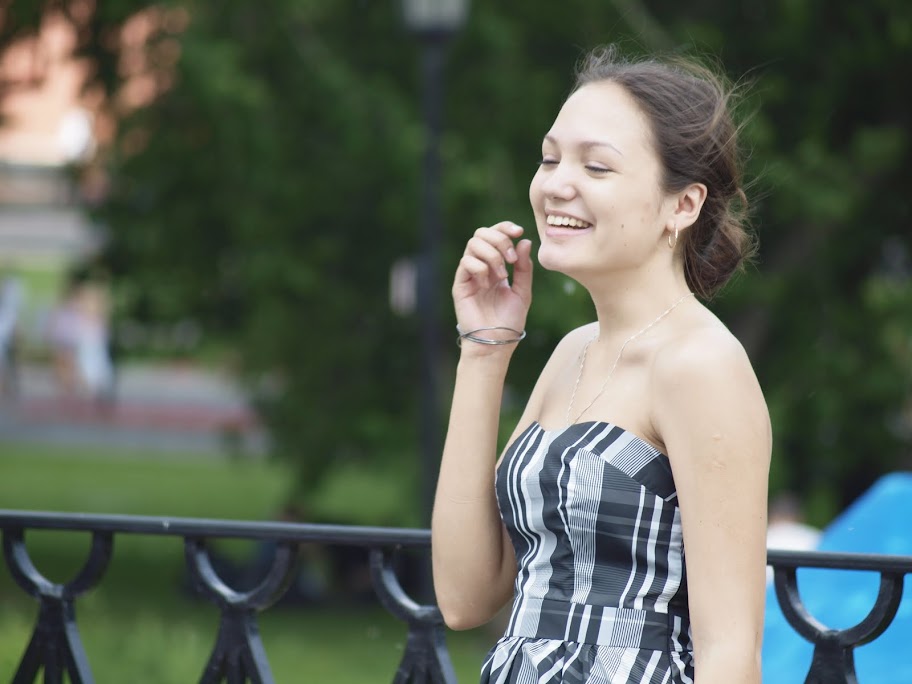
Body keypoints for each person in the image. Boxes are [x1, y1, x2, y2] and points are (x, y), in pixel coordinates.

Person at [431, 45, 772, 684]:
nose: (557, 184)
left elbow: (730, 647)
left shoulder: (701, 364)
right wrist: (483, 349)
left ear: (683, 205)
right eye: (549, 158)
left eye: (596, 166)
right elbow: (464, 596)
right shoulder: (573, 353)